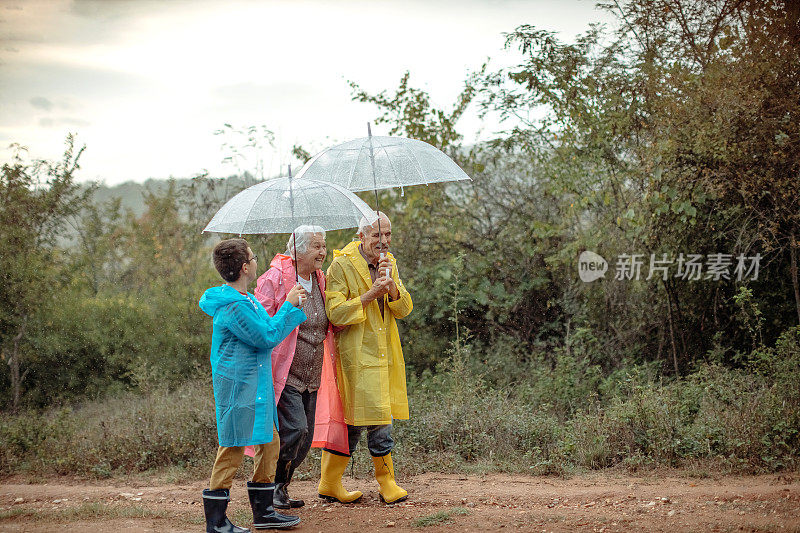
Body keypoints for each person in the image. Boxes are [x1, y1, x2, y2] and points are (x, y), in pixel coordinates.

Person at [199, 238, 306, 532]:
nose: (257, 261)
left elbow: (267, 330)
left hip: (255, 386)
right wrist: (289, 306)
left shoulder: (247, 300)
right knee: (232, 448)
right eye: (254, 257)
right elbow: (266, 336)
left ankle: (264, 512)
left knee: (269, 442)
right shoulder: (234, 307)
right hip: (238, 389)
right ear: (245, 267)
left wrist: (289, 306)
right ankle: (217, 522)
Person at [252, 226, 349, 510]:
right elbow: (262, 325)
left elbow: (331, 319)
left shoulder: (320, 279)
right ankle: (271, 487)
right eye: (316, 247)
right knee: (295, 428)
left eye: (323, 246)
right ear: (297, 250)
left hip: (314, 373)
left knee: (304, 438)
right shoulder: (273, 279)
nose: (322, 252)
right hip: (286, 372)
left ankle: (280, 486)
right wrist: (289, 304)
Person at [320, 212, 413, 504]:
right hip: (356, 356)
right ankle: (330, 482)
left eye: (387, 235)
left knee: (382, 418)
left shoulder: (390, 262)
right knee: (352, 423)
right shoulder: (341, 265)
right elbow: (334, 313)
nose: (383, 241)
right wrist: (371, 294)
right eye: (377, 235)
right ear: (361, 236)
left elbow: (404, 309)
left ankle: (387, 482)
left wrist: (393, 287)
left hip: (385, 352)